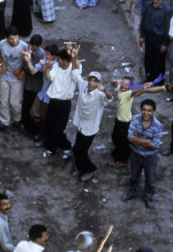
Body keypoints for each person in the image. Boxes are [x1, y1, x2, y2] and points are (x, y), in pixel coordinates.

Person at [70, 46, 112, 181]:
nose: (91, 83)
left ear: (98, 83)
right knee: (77, 148)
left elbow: (109, 98)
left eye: (95, 81)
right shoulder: (83, 86)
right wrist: (74, 56)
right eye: (90, 80)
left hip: (91, 127)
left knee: (80, 151)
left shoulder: (100, 94)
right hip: (81, 123)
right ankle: (81, 168)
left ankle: (89, 169)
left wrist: (104, 90)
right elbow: (75, 72)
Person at [122, 99, 162, 209]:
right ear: (141, 110)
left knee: (150, 178)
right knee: (134, 175)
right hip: (136, 154)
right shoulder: (135, 119)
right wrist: (147, 141)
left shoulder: (157, 125)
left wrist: (137, 139)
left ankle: (148, 197)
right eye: (144, 110)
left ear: (153, 111)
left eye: (149, 110)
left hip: (150, 156)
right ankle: (132, 192)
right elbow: (130, 138)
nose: (146, 113)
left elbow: (155, 145)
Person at [40, 48, 78, 158]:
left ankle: (67, 146)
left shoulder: (73, 69)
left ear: (66, 61)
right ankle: (51, 148)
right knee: (49, 126)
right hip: (53, 101)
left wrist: (74, 56)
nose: (56, 61)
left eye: (59, 59)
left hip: (64, 103)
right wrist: (46, 69)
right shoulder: (56, 66)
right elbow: (48, 79)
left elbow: (77, 69)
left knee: (58, 129)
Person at [0, 27, 27, 131]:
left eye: (15, 38)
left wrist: (20, 70)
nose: (13, 41)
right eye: (11, 38)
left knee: (15, 102)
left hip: (17, 78)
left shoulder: (24, 46)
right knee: (3, 101)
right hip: (4, 76)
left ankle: (17, 119)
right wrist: (2, 63)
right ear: (6, 38)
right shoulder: (2, 44)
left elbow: (26, 61)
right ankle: (4, 121)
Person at [139, 0, 170, 81]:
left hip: (159, 39)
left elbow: (168, 28)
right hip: (149, 36)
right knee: (148, 59)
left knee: (159, 61)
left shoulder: (167, 9)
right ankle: (149, 78)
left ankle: (159, 81)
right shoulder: (148, 5)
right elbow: (143, 21)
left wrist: (165, 44)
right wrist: (142, 36)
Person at [20, 35, 45, 136]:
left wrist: (27, 60)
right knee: (26, 106)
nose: (31, 47)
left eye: (33, 45)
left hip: (35, 85)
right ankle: (26, 126)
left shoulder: (40, 54)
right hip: (28, 84)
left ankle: (33, 129)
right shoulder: (28, 49)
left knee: (31, 108)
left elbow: (32, 69)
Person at [109, 76, 135, 167]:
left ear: (130, 87)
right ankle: (119, 152)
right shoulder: (120, 90)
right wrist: (117, 80)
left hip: (125, 122)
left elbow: (135, 92)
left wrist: (143, 88)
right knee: (115, 137)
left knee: (122, 141)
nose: (124, 85)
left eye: (127, 84)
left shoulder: (129, 93)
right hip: (119, 119)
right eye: (123, 83)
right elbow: (112, 82)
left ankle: (122, 160)